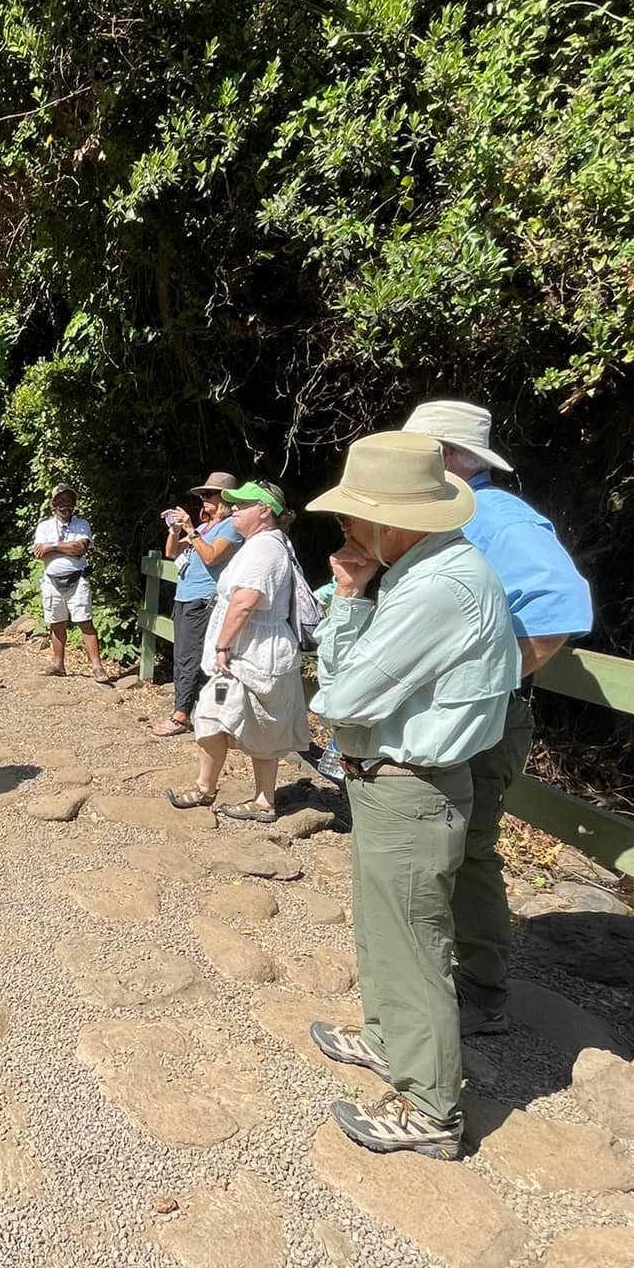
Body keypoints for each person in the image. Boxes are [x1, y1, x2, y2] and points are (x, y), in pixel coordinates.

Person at [303, 433, 521, 1160]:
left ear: (391, 522)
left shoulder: (434, 587)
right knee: (385, 929)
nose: (345, 534)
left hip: (411, 786)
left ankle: (430, 1107)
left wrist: (349, 601)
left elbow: (342, 696)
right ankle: (385, 1038)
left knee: (413, 948)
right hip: (391, 783)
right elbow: (351, 689)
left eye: (351, 521)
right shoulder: (428, 570)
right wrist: (356, 598)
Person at [400, 399, 594, 1037]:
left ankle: (478, 992)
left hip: (478, 721)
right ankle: (434, 980)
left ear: (453, 457)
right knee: (432, 847)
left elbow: (559, 607)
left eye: (419, 450)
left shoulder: (501, 519)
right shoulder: (447, 515)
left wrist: (482, 684)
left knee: (467, 851)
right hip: (442, 716)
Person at [164, 483, 306, 819]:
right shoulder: (261, 544)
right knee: (214, 715)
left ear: (265, 510)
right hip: (252, 651)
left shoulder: (265, 548)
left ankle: (259, 800)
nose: (235, 509)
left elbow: (245, 601)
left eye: (243, 504)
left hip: (254, 654)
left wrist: (223, 645)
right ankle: (208, 787)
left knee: (257, 724)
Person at [155, 472, 241, 737]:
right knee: (181, 655)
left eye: (208, 495)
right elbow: (172, 553)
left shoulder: (230, 527)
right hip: (184, 596)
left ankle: (181, 715)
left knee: (190, 657)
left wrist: (191, 530)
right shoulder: (205, 528)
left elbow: (213, 557)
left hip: (204, 599)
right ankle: (193, 710)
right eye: (202, 496)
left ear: (224, 498)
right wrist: (176, 530)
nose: (203, 500)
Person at [30, 483, 109, 679]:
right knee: (57, 623)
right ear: (53, 503)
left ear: (74, 503)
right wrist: (63, 547)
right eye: (61, 500)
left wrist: (53, 546)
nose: (65, 504)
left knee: (85, 621)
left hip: (77, 580)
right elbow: (38, 553)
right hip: (51, 581)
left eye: (69, 500)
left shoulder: (82, 524)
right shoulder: (44, 526)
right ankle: (58, 665)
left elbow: (80, 549)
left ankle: (97, 667)